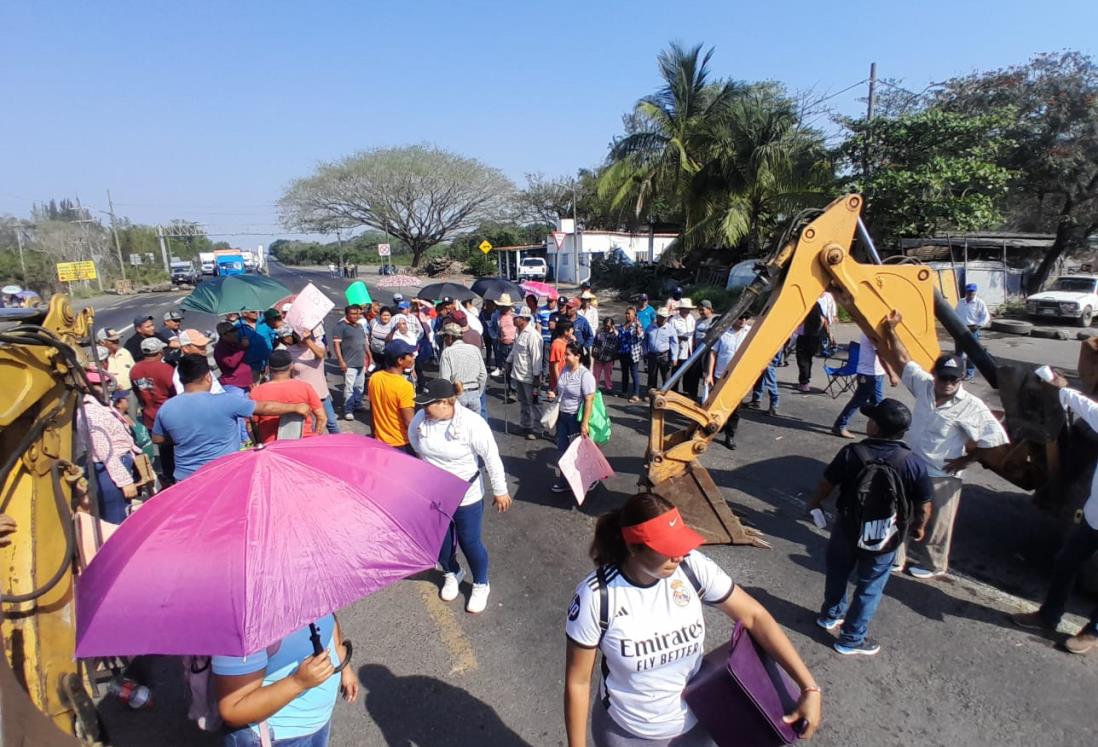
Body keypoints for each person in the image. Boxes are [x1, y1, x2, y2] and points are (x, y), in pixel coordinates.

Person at [564, 492, 821, 747]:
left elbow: (755, 616)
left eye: (680, 543)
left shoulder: (691, 568)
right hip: (627, 733)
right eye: (667, 549)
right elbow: (578, 681)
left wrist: (809, 688)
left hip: (696, 723)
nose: (678, 555)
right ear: (633, 547)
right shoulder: (597, 597)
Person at [882, 311, 1008, 579]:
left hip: (942, 475)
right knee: (902, 514)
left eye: (955, 379)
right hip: (913, 467)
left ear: (961, 380)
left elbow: (995, 439)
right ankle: (897, 558)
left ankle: (933, 564)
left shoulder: (971, 406)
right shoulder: (924, 386)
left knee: (939, 524)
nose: (949, 384)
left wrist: (967, 460)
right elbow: (904, 360)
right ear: (935, 374)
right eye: (944, 377)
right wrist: (892, 330)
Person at [808, 399, 933, 655]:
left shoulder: (851, 452)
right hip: (886, 535)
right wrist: (920, 527)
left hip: (847, 525)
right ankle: (851, 639)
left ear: (875, 427)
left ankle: (830, 616)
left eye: (871, 419)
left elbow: (825, 484)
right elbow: (924, 503)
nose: (868, 422)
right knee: (870, 586)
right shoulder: (912, 462)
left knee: (838, 572)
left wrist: (815, 502)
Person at [1011, 371, 1098, 654]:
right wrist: (1061, 388)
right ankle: (1048, 615)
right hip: (1093, 516)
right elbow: (1084, 405)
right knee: (1066, 560)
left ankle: (1094, 632)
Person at [409, 379, 512, 614]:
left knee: (470, 541)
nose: (424, 409)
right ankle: (452, 571)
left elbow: (491, 456)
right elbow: (414, 441)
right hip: (434, 494)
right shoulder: (421, 419)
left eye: (429, 404)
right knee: (440, 542)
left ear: (446, 403)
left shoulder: (472, 423)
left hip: (466, 495)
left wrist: (500, 489)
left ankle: (480, 583)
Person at [152, 355, 308, 482]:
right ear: (208, 377)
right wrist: (295, 407)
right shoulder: (225, 401)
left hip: (186, 478)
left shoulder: (167, 408)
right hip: (224, 474)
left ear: (181, 379)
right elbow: (264, 408)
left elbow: (158, 439)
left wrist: (186, 436)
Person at [213, 614, 358, 747]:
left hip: (319, 723)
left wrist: (343, 662)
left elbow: (330, 618)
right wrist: (297, 683)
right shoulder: (246, 623)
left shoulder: (313, 589)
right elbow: (233, 709)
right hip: (275, 737)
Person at [79, 369, 139, 524]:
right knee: (117, 520)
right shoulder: (92, 413)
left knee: (124, 514)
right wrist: (124, 480)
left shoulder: (101, 407)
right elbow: (104, 450)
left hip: (117, 465)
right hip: (109, 471)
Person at [250, 350, 326, 443]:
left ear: (268, 368)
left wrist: (259, 444)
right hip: (304, 442)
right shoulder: (305, 387)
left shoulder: (256, 392)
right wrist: (315, 437)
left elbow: (251, 425)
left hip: (273, 446)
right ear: (291, 366)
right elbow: (322, 418)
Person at [130, 337, 177, 484]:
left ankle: (168, 476)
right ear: (159, 351)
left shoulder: (135, 370)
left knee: (164, 449)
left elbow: (137, 392)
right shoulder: (165, 369)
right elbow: (176, 391)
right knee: (179, 446)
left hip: (150, 415)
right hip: (169, 413)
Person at [551, 342, 595, 494]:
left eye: (568, 354)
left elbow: (589, 400)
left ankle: (588, 479)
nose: (565, 357)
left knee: (578, 453)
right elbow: (560, 388)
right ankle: (564, 481)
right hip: (562, 417)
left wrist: (584, 424)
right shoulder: (565, 369)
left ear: (578, 356)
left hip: (575, 418)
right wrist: (554, 393)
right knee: (563, 450)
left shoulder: (585, 375)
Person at [706, 312, 752, 449]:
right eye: (741, 317)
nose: (743, 320)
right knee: (715, 404)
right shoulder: (724, 333)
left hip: (739, 377)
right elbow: (713, 353)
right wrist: (709, 374)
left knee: (735, 409)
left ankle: (730, 435)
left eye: (746, 318)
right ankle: (714, 427)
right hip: (721, 375)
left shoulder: (750, 333)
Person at [832, 333, 891, 439]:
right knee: (859, 401)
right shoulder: (873, 332)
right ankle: (840, 425)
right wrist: (892, 374)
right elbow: (881, 354)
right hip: (870, 374)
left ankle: (876, 429)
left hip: (874, 373)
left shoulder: (873, 330)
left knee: (876, 404)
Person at [287, 328, 340, 435]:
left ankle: (341, 448)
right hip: (302, 396)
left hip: (321, 393)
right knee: (309, 427)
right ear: (295, 335)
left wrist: (307, 340)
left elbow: (320, 355)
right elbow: (289, 374)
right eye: (299, 333)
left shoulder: (318, 344)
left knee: (331, 423)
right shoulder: (290, 351)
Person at [367, 340, 417, 453]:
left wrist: (373, 434)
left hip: (380, 441)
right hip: (401, 443)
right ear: (400, 360)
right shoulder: (405, 386)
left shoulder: (374, 378)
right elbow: (409, 422)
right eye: (410, 355)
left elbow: (372, 411)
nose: (413, 357)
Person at [506, 307, 543, 439]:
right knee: (524, 402)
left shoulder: (533, 335)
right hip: (518, 374)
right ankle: (526, 425)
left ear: (524, 319)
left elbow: (536, 357)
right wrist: (508, 361)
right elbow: (515, 350)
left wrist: (537, 376)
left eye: (516, 317)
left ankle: (538, 429)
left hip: (530, 376)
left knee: (534, 402)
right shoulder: (519, 332)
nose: (513, 319)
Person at [438, 321, 488, 416]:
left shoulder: (447, 352)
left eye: (444, 336)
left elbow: (444, 380)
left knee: (458, 427)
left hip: (457, 396)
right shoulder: (474, 349)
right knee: (474, 427)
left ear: (450, 337)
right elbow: (483, 375)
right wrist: (478, 393)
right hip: (474, 393)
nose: (443, 340)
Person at [333, 305, 369, 421]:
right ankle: (348, 409)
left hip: (360, 362)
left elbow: (364, 343)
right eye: (353, 314)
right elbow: (337, 345)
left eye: (358, 313)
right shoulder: (340, 327)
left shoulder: (359, 326)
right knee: (349, 387)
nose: (356, 316)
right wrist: (341, 361)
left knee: (359, 386)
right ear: (347, 314)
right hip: (349, 364)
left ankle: (357, 404)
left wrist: (370, 356)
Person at [954, 283, 991, 381]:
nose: (970, 293)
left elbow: (986, 317)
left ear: (975, 292)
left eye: (972, 292)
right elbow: (956, 314)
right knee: (958, 353)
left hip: (972, 330)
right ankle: (958, 372)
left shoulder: (980, 303)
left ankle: (969, 373)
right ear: (965, 292)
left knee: (971, 354)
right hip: (960, 329)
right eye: (968, 291)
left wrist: (978, 325)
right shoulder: (961, 302)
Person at [172, 329, 226, 394]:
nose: (205, 349)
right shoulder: (181, 373)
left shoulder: (201, 363)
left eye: (204, 346)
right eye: (200, 347)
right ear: (186, 348)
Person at [683, 300, 715, 400]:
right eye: (699, 310)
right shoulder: (698, 321)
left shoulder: (714, 321)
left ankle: (708, 398)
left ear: (710, 309)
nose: (701, 312)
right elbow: (694, 335)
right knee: (693, 374)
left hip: (708, 353)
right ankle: (692, 395)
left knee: (707, 375)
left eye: (703, 310)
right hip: (697, 352)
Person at [795, 298, 828, 393]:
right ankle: (806, 379)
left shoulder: (805, 304)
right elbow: (823, 320)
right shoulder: (817, 304)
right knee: (808, 359)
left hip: (804, 335)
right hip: (815, 336)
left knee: (802, 360)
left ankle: (804, 383)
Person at [214, 322, 253, 393]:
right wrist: (243, 348)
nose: (236, 333)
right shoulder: (220, 349)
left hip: (246, 381)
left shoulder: (234, 342)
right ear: (223, 335)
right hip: (235, 385)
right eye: (232, 331)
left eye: (235, 329)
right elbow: (231, 363)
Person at [617, 307, 644, 404]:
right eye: (626, 313)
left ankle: (636, 394)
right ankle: (624, 391)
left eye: (629, 313)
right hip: (623, 352)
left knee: (634, 373)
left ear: (633, 315)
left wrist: (638, 329)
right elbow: (619, 337)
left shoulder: (637, 325)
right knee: (624, 373)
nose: (627, 315)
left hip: (632, 353)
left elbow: (641, 336)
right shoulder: (623, 325)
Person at [645, 309, 676, 392]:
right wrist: (645, 351)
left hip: (664, 355)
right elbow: (645, 340)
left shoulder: (670, 328)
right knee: (652, 375)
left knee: (666, 376)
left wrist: (674, 357)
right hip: (652, 354)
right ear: (657, 317)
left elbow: (674, 343)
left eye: (665, 317)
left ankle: (666, 394)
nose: (663, 319)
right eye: (661, 317)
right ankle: (651, 394)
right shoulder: (650, 327)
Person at [238, 310, 273, 381]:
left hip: (268, 363)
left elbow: (273, 336)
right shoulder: (238, 327)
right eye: (253, 312)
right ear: (244, 313)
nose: (256, 313)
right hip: (252, 367)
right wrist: (241, 344)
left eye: (256, 311)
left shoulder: (264, 324)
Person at [97, 328, 135, 393]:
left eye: (117, 339)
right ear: (102, 342)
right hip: (113, 394)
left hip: (132, 391)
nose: (117, 342)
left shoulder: (124, 352)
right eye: (113, 341)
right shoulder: (99, 358)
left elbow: (134, 370)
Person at [669, 299, 696, 391]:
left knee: (688, 371)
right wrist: (679, 338)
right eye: (685, 309)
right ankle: (674, 390)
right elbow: (670, 336)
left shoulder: (691, 318)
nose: (687, 311)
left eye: (688, 309)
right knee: (676, 371)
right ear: (680, 309)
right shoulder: (673, 320)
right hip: (678, 350)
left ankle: (686, 390)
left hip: (689, 349)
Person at [546, 321, 574, 401]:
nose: (573, 330)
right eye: (571, 329)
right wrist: (559, 383)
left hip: (567, 378)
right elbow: (555, 366)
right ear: (565, 331)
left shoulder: (567, 342)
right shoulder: (556, 345)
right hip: (559, 381)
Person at [591, 317, 618, 393]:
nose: (606, 327)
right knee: (596, 374)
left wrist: (614, 330)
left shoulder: (615, 334)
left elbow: (618, 341)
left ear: (612, 325)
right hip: (599, 357)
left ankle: (609, 387)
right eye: (605, 325)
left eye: (608, 326)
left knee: (608, 374)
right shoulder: (600, 332)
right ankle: (594, 387)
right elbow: (595, 342)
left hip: (609, 357)